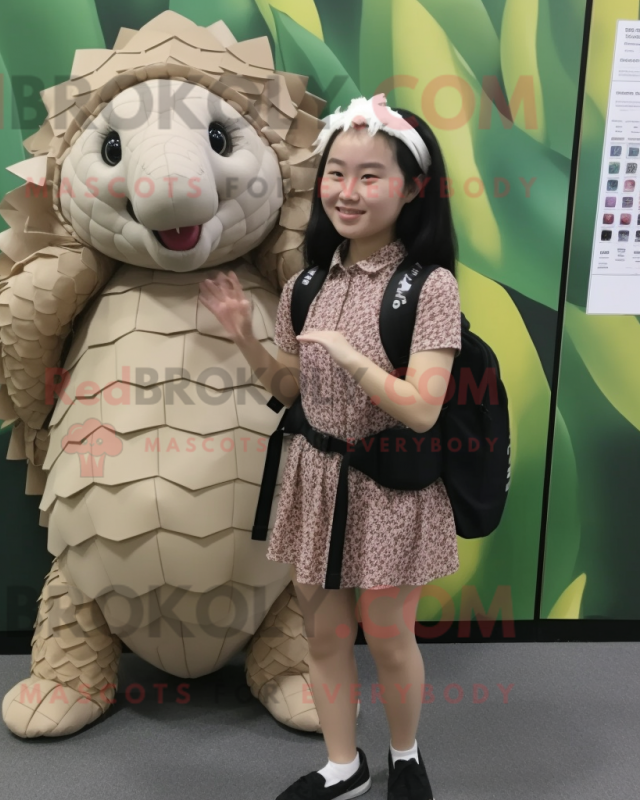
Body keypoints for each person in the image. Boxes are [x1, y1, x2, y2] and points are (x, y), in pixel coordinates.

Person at [198, 94, 461, 800]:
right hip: (315, 477)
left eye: (370, 176)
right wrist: (245, 338)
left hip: (390, 485)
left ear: (412, 189)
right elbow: (290, 387)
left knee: (388, 634)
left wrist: (354, 361)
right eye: (336, 173)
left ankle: (405, 755)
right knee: (322, 635)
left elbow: (425, 410)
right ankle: (343, 765)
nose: (347, 192)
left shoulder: (429, 287)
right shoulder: (305, 284)